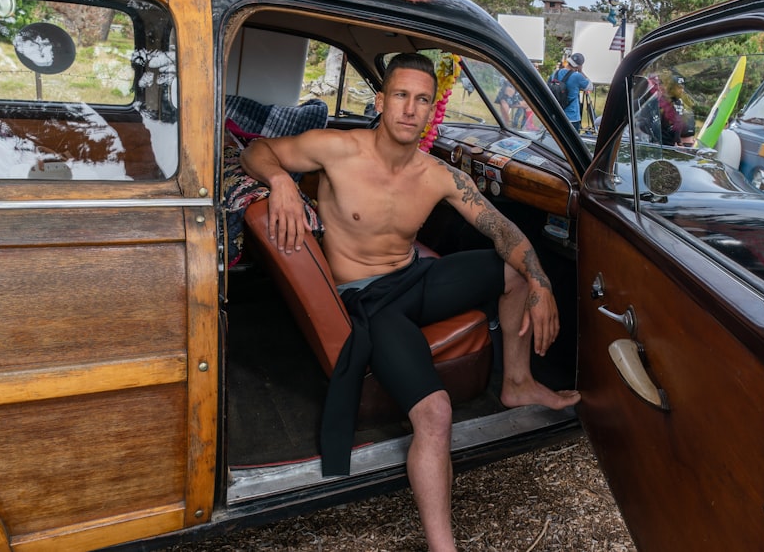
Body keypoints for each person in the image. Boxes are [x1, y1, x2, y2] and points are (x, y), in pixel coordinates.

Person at [241, 52, 580, 552]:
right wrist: (282, 181)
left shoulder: (438, 174)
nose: (409, 108)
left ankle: (517, 383)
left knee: (516, 270)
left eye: (422, 100)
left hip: (414, 277)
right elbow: (257, 150)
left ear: (430, 111)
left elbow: (503, 228)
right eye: (400, 95)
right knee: (435, 414)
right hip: (370, 303)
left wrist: (542, 282)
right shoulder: (338, 149)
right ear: (381, 101)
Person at [549, 52, 593, 132]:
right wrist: (581, 71)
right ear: (579, 66)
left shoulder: (555, 73)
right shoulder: (577, 76)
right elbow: (590, 87)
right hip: (571, 117)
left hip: (555, 114)